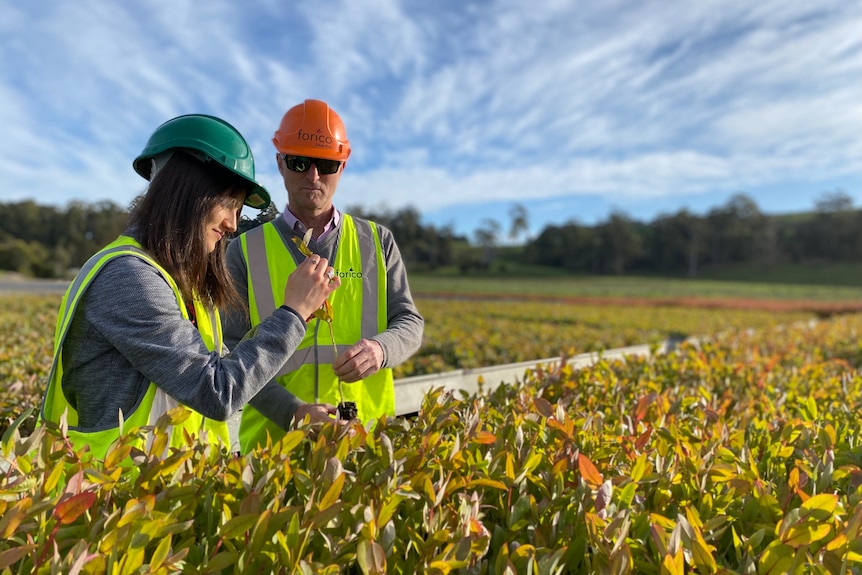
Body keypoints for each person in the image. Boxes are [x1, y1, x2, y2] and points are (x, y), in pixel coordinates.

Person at [40, 114, 340, 460]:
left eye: (239, 210)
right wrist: (294, 313)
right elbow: (217, 391)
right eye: (228, 204)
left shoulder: (180, 284)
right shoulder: (127, 277)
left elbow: (226, 367)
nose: (232, 224)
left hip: (163, 491)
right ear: (186, 192)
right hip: (115, 493)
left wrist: (295, 411)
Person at [224, 99, 424, 454]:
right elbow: (231, 350)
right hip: (274, 447)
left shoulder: (378, 242)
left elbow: (409, 322)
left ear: (343, 166)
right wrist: (294, 412)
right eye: (299, 162)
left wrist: (381, 349)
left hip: (365, 443)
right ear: (280, 163)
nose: (313, 176)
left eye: (327, 164)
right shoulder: (243, 249)